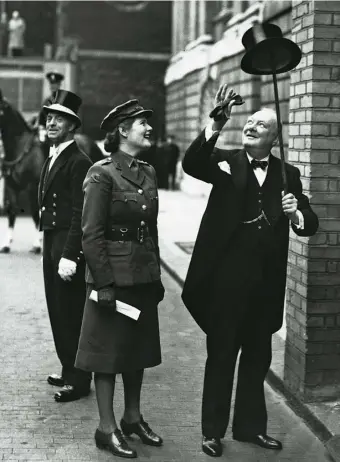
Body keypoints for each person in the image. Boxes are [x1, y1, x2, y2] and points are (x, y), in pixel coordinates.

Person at [181, 84, 319, 458]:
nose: (252, 126)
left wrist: (296, 213)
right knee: (222, 355)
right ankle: (212, 431)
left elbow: (310, 225)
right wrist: (218, 121)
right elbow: (191, 163)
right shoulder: (226, 161)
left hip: (265, 285)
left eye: (261, 124)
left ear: (275, 138)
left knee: (258, 358)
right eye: (251, 122)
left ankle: (250, 428)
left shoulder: (288, 174)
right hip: (226, 282)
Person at [75, 99, 165, 459]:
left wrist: (155, 273)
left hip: (142, 275)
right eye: (142, 123)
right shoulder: (102, 173)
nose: (148, 128)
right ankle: (106, 427)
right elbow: (91, 234)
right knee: (108, 355)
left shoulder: (149, 172)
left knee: (136, 351)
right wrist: (104, 283)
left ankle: (132, 417)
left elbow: (152, 228)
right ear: (123, 131)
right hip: (112, 278)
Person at [38, 90, 92, 402]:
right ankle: (67, 364)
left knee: (71, 311)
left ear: (72, 126)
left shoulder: (78, 160)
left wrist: (71, 254)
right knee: (57, 309)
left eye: (60, 119)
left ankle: (79, 378)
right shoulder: (54, 155)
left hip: (66, 244)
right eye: (49, 117)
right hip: (51, 239)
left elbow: (79, 212)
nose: (52, 122)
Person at [36, 72, 65, 156]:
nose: (52, 86)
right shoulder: (46, 101)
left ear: (59, 85)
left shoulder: (64, 101)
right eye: (51, 83)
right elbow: (41, 119)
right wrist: (41, 128)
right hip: (48, 133)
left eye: (55, 84)